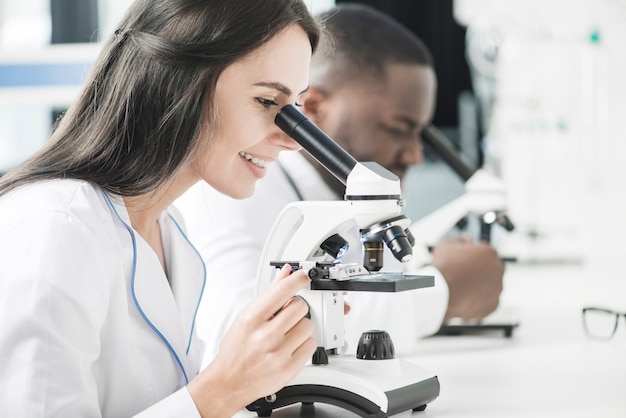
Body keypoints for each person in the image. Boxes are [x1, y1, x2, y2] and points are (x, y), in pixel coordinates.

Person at [0, 0, 323, 416]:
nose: (292, 139)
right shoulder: (58, 228)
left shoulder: (170, 234)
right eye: (266, 102)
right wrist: (222, 388)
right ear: (178, 81)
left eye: (295, 107)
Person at [176, 3, 504, 362]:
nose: (414, 155)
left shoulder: (339, 197)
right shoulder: (234, 187)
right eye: (398, 129)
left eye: (420, 135)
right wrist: (442, 293)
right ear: (313, 107)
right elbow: (238, 332)